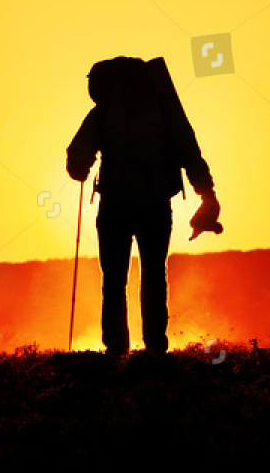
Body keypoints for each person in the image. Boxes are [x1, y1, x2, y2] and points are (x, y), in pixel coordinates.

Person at [66, 56, 221, 357]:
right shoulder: (165, 109)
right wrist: (207, 194)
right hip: (155, 202)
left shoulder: (103, 111)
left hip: (115, 202)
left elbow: (77, 156)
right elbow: (190, 151)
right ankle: (155, 347)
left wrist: (80, 168)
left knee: (113, 276)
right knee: (154, 273)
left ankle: (116, 348)